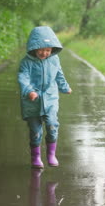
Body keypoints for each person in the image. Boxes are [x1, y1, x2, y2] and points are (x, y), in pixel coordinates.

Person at [18, 26, 72, 169]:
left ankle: (51, 154)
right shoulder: (26, 63)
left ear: (52, 49)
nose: (44, 53)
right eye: (41, 49)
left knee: (52, 124)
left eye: (48, 50)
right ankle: (35, 157)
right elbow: (23, 77)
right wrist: (29, 90)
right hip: (32, 101)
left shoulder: (54, 60)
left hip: (50, 98)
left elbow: (59, 75)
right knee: (35, 131)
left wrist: (65, 87)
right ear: (34, 48)